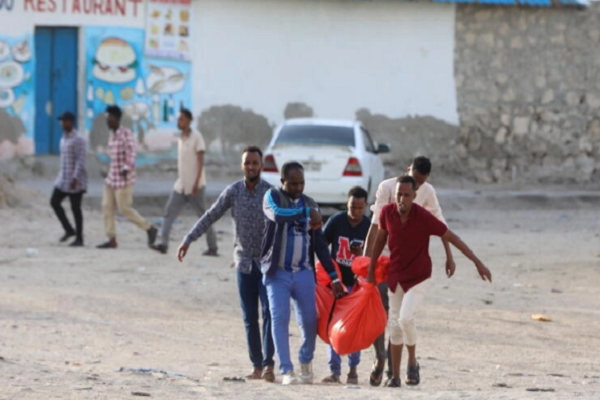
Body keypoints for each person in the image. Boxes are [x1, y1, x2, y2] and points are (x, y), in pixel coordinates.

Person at [367, 175, 492, 388]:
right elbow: (379, 241)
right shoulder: (387, 212)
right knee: (395, 326)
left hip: (419, 276)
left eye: (407, 195)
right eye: (399, 194)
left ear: (415, 196)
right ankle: (395, 376)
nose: (402, 199)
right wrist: (370, 271)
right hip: (396, 275)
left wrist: (477, 262)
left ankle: (413, 361)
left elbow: (452, 238)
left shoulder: (423, 217)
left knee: (405, 319)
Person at [177, 146, 275, 382]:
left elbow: (286, 222)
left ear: (261, 166)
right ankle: (256, 367)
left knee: (270, 313)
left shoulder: (271, 193)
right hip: (243, 264)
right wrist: (189, 238)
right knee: (249, 317)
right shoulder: (233, 191)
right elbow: (211, 215)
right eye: (247, 163)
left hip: (266, 264)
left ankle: (269, 364)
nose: (251, 166)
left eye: (255, 162)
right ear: (242, 166)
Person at [363, 155, 455, 386]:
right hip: (383, 256)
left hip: (407, 260)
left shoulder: (427, 192)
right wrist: (365, 264)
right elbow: (375, 226)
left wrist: (449, 255)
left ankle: (394, 369)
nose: (416, 185)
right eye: (414, 178)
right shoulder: (386, 187)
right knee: (380, 310)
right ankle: (380, 359)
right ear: (407, 170)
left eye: (420, 182)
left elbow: (440, 224)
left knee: (399, 317)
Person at [261, 161, 344, 385]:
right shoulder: (272, 197)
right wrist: (307, 213)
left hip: (304, 272)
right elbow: (278, 215)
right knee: (280, 318)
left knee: (309, 321)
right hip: (277, 273)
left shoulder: (310, 203)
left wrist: (333, 276)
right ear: (283, 182)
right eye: (294, 183)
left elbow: (318, 245)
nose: (299, 187)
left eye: (302, 183)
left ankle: (305, 361)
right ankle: (286, 370)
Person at [320, 186, 371, 385]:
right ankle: (334, 371)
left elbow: (374, 257)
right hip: (337, 284)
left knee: (354, 329)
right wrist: (329, 276)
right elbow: (321, 246)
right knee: (333, 327)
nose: (355, 212)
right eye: (352, 207)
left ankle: (353, 369)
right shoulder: (336, 221)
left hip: (357, 285)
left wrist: (361, 255)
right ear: (346, 204)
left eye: (359, 208)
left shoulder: (368, 226)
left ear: (365, 206)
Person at [151, 109, 218, 255]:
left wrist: (196, 183)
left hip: (196, 186)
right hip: (181, 185)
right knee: (169, 212)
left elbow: (200, 162)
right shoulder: (181, 138)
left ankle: (213, 247)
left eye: (181, 119)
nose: (178, 122)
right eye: (178, 119)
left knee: (203, 217)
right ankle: (164, 244)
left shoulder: (197, 137)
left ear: (188, 120)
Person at [96, 105, 158, 249]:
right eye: (107, 118)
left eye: (109, 118)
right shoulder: (112, 136)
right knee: (106, 207)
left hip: (124, 179)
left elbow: (131, 153)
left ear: (117, 119)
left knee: (125, 209)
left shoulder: (126, 134)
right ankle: (111, 239)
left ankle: (149, 228)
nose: (107, 121)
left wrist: (125, 168)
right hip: (112, 178)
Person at [50, 111, 87, 247]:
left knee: (76, 208)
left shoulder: (79, 139)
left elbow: (80, 160)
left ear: (71, 122)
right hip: (63, 178)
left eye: (65, 121)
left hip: (75, 180)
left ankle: (80, 238)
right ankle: (69, 229)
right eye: (62, 121)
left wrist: (75, 177)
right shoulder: (64, 137)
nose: (62, 124)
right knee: (54, 202)